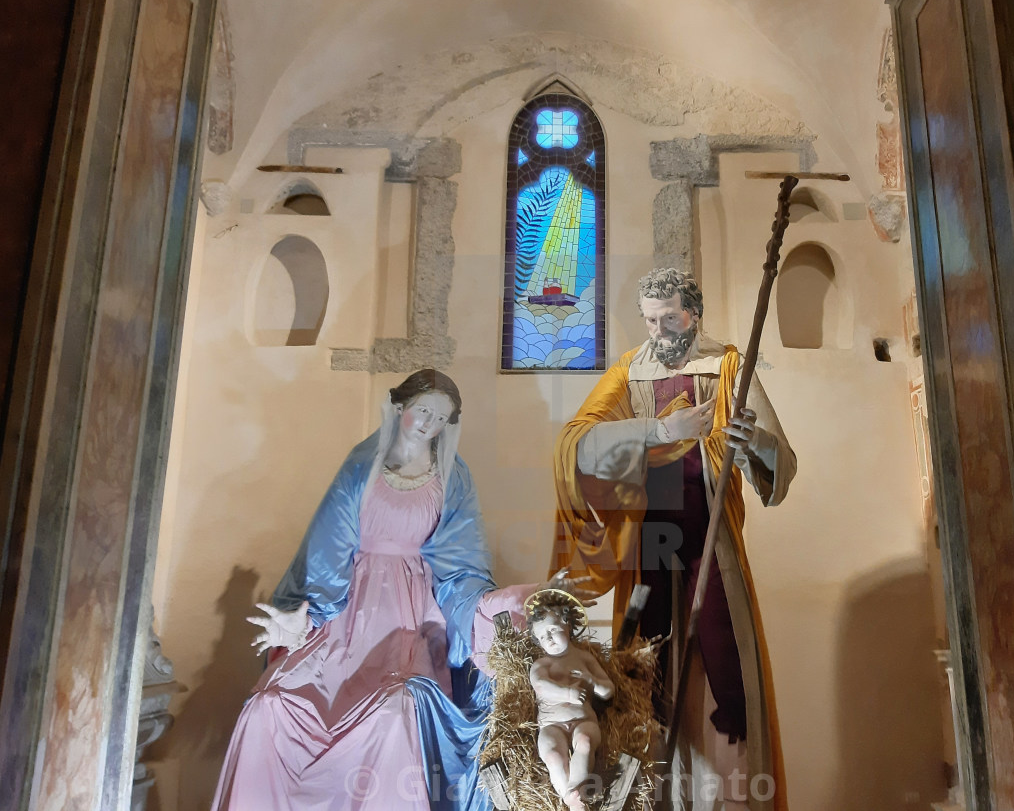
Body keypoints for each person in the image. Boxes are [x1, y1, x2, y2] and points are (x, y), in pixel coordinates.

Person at [212, 369, 581, 811]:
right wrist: (303, 617)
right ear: (400, 408)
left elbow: (462, 573)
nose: (428, 423)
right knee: (269, 709)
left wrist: (520, 601)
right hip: (346, 617)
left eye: (440, 418)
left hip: (412, 623)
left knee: (396, 709)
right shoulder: (359, 468)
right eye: (422, 410)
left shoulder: (452, 478)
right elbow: (327, 553)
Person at [551, 268, 797, 811]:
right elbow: (578, 443)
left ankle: (731, 798)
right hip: (649, 547)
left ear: (694, 312)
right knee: (642, 671)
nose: (658, 330)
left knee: (725, 668)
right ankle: (650, 798)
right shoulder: (631, 371)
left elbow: (780, 460)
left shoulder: (729, 364)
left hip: (713, 543)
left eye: (668, 318)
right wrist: (662, 432)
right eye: (649, 319)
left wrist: (749, 438)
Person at [526, 589, 614, 811]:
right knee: (554, 755)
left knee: (584, 741)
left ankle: (575, 794)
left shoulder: (585, 659)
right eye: (542, 636)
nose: (548, 638)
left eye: (553, 630)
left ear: (567, 624)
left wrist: (591, 680)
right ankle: (571, 798)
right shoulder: (541, 665)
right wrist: (568, 694)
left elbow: (609, 691)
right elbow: (541, 686)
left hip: (584, 720)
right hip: (551, 725)